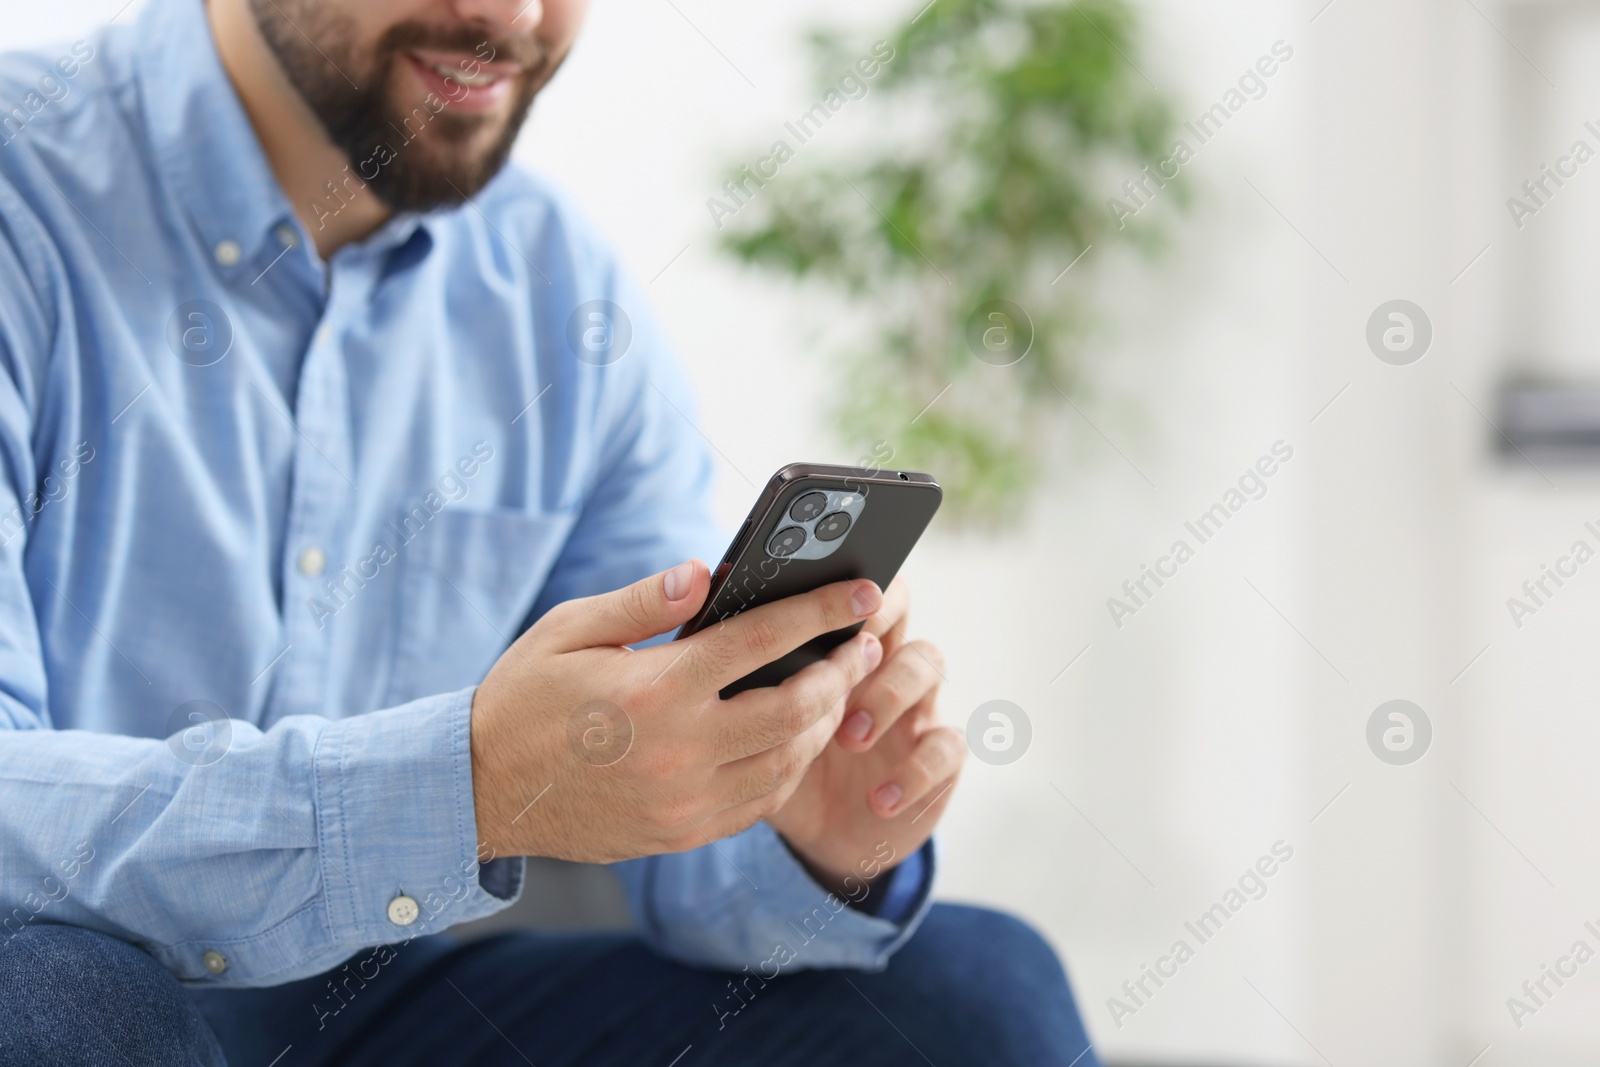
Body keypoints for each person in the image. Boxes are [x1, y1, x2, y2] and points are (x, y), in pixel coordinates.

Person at [0, 0, 1098, 1063]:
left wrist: (795, 825)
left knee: (978, 993)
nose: (509, 13)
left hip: (365, 1001)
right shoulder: (25, 186)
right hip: (67, 983)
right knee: (62, 999)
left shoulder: (555, 291)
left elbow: (675, 823)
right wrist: (463, 784)